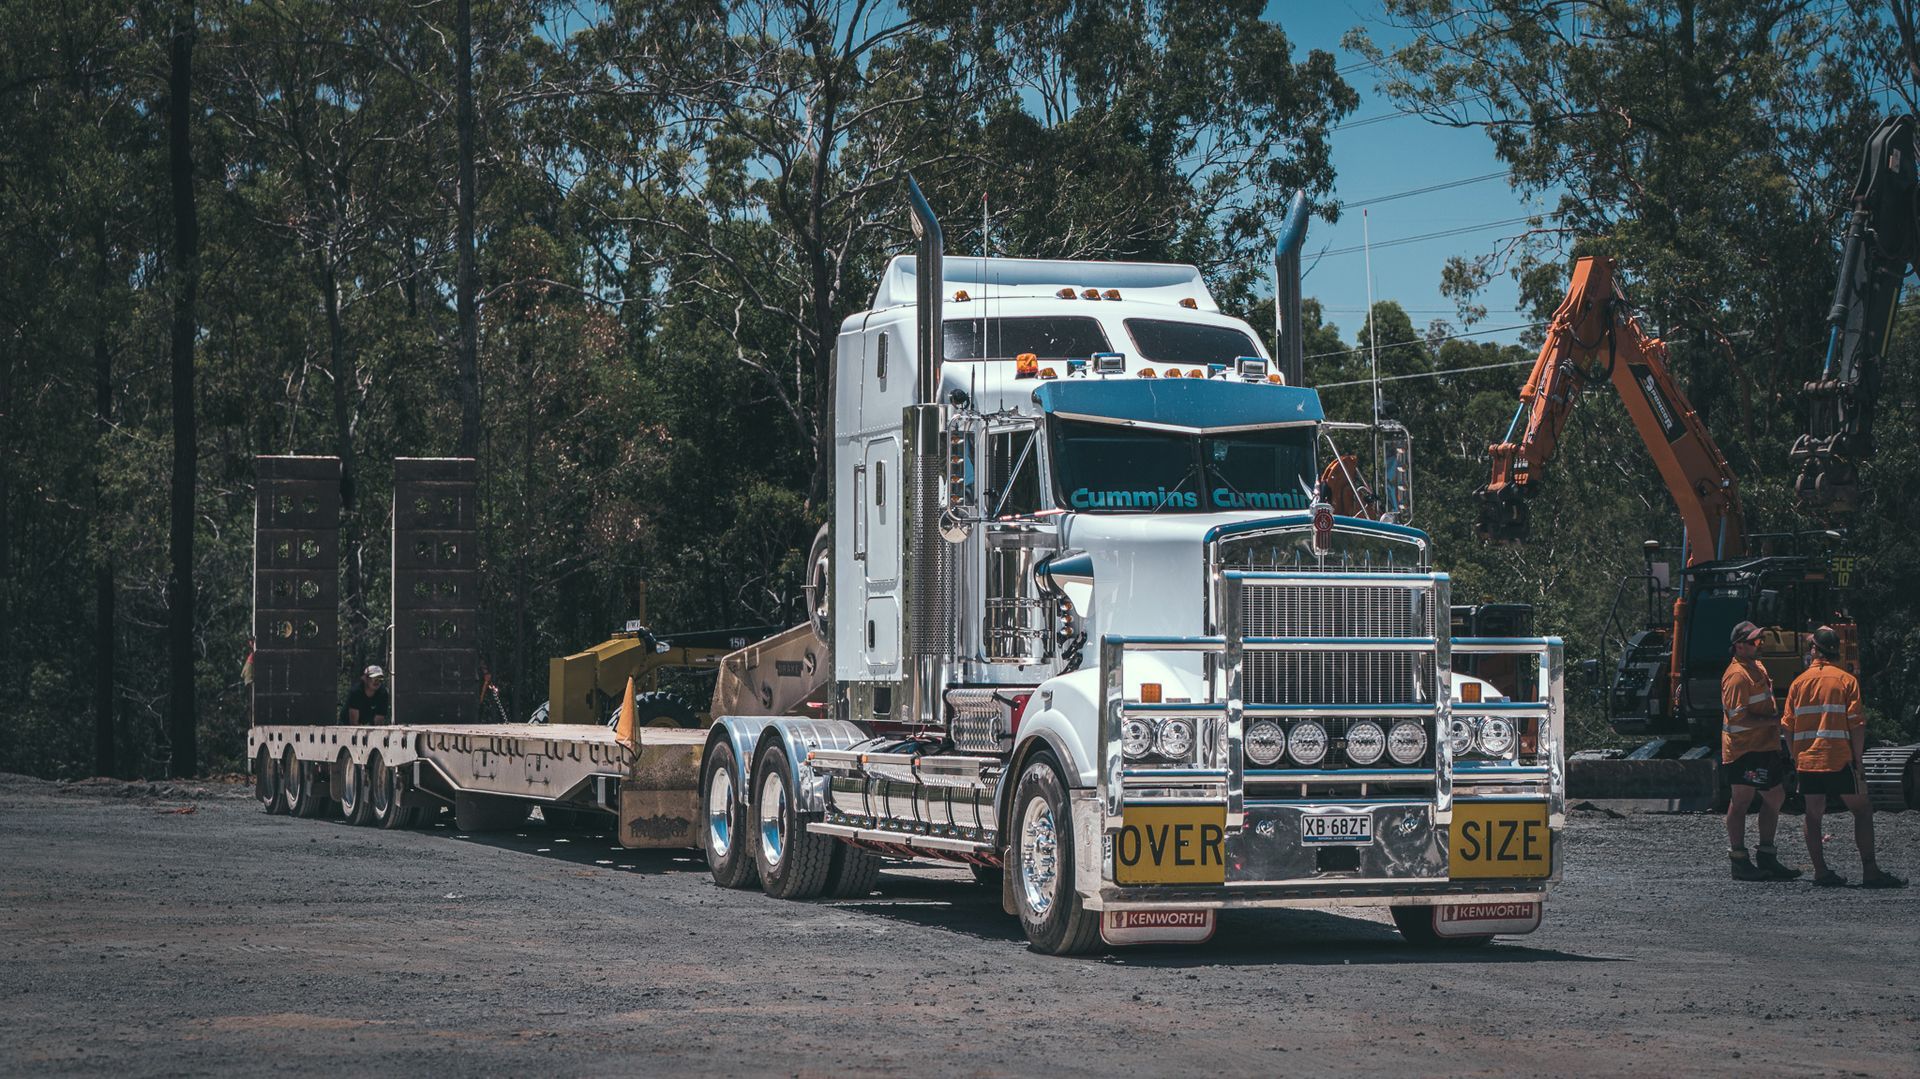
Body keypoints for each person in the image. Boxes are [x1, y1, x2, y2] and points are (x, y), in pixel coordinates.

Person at [1785, 627, 1905, 888]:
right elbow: (1857, 724)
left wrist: (1796, 757)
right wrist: (1858, 759)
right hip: (1840, 758)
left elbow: (1787, 725)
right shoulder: (1846, 680)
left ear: (1815, 650)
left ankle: (1820, 872)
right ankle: (1870, 872)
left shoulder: (1797, 683)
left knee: (1813, 815)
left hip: (1808, 761)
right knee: (1862, 810)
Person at [1721, 620, 1799, 881]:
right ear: (1739, 646)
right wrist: (1774, 722)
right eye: (1754, 641)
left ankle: (1766, 854)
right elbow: (1736, 718)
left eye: (1759, 640)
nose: (1759, 644)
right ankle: (1739, 860)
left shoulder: (1757, 667)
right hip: (1745, 750)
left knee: (1775, 797)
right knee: (1742, 801)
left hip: (1764, 746)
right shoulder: (1736, 676)